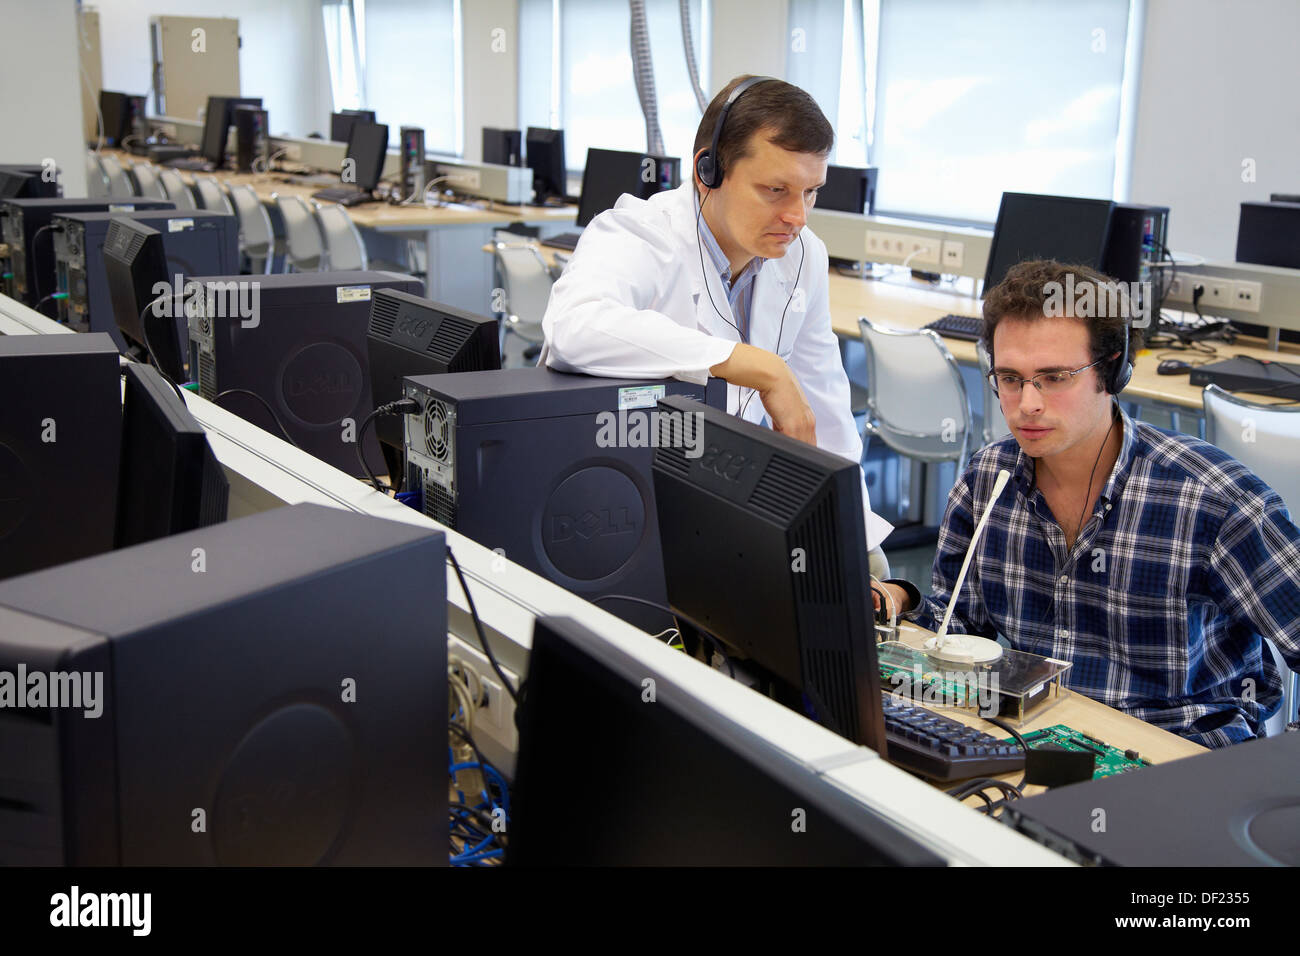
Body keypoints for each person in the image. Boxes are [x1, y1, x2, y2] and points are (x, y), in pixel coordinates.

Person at [877, 259, 1300, 748]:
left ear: (1113, 371)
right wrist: (896, 599)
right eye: (1009, 378)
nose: (1027, 404)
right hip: (1035, 735)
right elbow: (956, 626)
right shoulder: (987, 480)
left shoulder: (1215, 502)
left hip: (1178, 754)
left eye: (1054, 377)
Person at [540, 74, 893, 556]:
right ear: (708, 170)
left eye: (811, 191)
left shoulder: (804, 254)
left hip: (727, 509)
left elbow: (824, 408)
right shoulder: (638, 234)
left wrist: (850, 537)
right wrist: (756, 366)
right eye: (776, 190)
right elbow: (573, 328)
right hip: (609, 510)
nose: (799, 216)